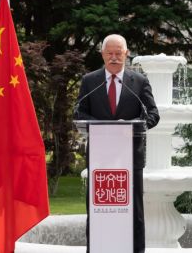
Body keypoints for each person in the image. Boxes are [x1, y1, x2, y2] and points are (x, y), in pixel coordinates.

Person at [74, 34, 160, 253]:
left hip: (130, 159)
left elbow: (152, 114)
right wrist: (103, 127)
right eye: (109, 53)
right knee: (97, 210)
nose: (114, 58)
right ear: (102, 54)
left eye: (118, 53)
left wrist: (131, 126)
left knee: (134, 213)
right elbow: (79, 112)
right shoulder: (90, 81)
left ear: (126, 54)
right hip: (100, 161)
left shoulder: (139, 82)